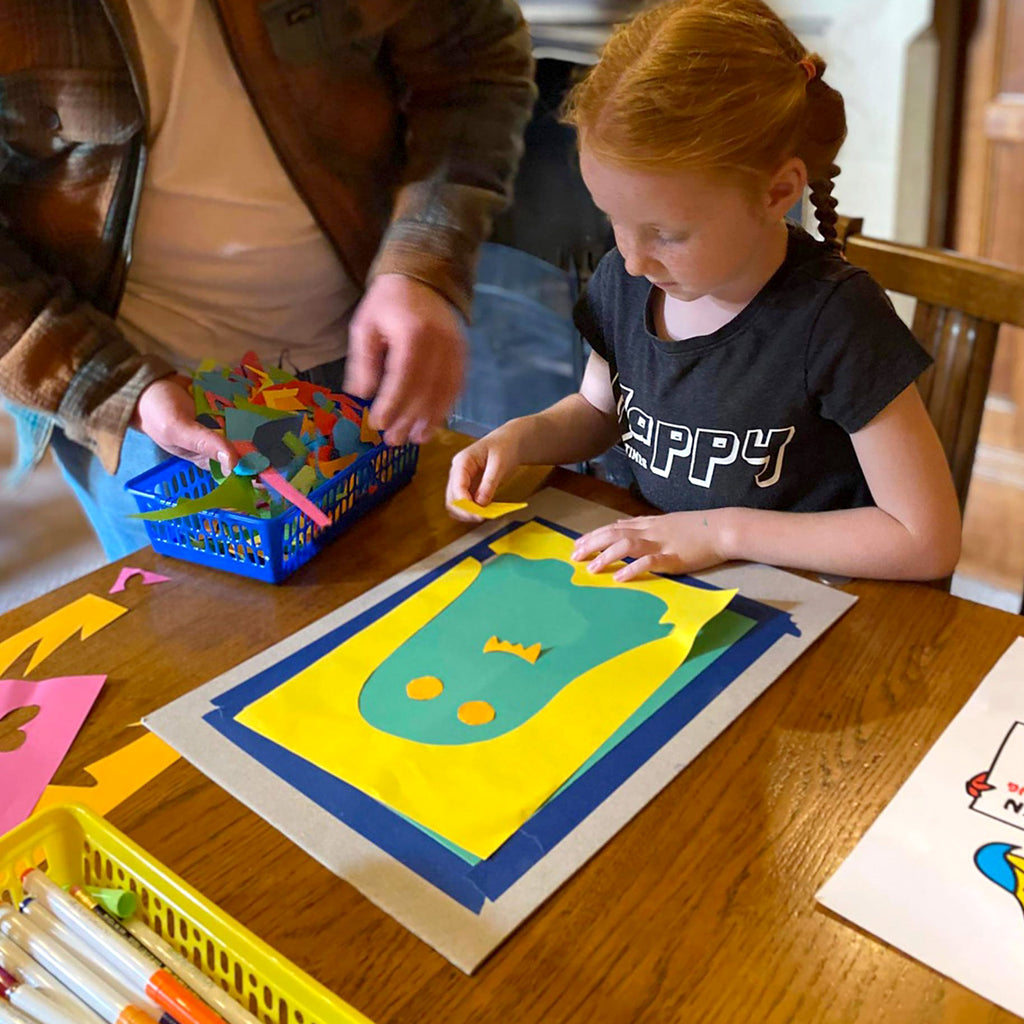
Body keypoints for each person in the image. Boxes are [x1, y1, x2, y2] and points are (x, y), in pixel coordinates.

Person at [447, 0, 962, 582]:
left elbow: (924, 540)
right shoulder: (628, 278)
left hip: (805, 604)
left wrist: (722, 531)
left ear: (776, 193)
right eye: (613, 219)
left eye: (666, 234)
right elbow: (599, 411)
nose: (634, 259)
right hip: (666, 584)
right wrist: (521, 438)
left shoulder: (838, 319)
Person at [0, 0, 535, 559]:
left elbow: (472, 61)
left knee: (416, 610)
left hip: (370, 365)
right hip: (142, 410)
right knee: (204, 640)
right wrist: (116, 390)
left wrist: (425, 257)